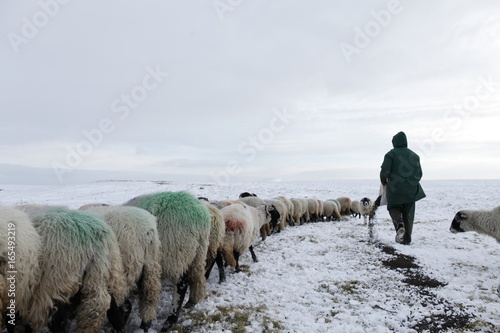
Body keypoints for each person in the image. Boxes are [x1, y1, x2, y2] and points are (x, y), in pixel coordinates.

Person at [380, 131, 426, 245]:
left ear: (394, 142)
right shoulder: (415, 156)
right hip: (411, 191)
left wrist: (384, 183)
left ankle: (399, 225)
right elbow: (419, 174)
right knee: (409, 213)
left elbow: (384, 172)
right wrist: (412, 183)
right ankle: (407, 238)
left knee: (393, 207)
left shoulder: (390, 155)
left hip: (394, 190)